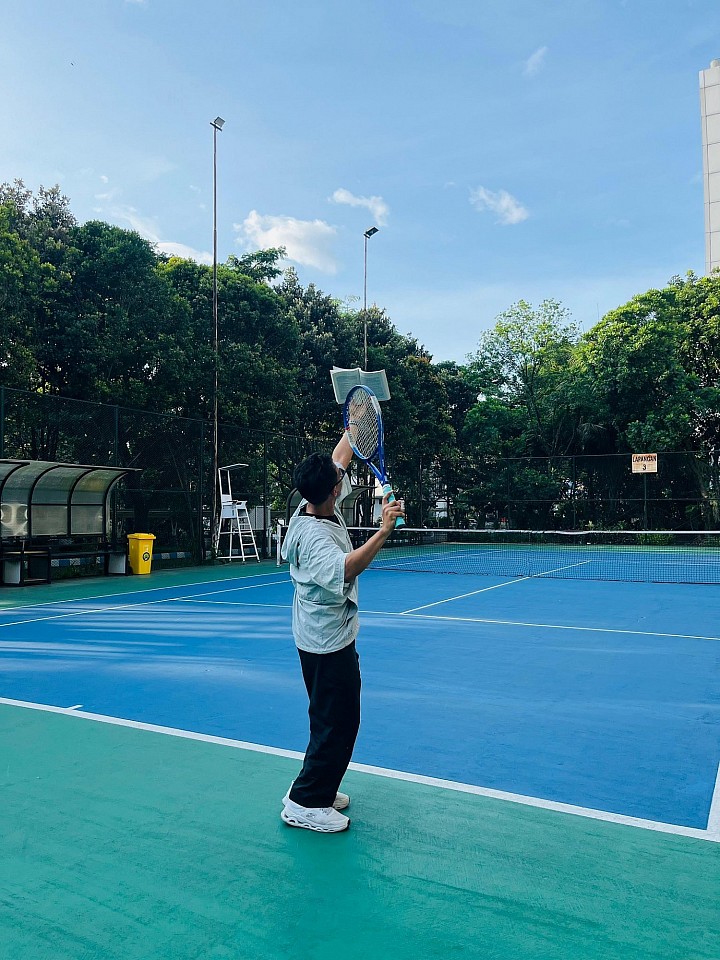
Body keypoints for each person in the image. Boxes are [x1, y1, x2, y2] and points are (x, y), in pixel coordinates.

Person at [280, 433, 405, 832]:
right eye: (339, 478)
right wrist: (383, 530)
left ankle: (319, 785)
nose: (342, 475)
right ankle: (305, 802)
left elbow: (339, 456)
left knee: (327, 717)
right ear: (335, 490)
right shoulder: (314, 538)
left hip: (323, 634)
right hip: (325, 642)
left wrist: (355, 425)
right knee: (340, 721)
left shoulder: (311, 503)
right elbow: (346, 568)